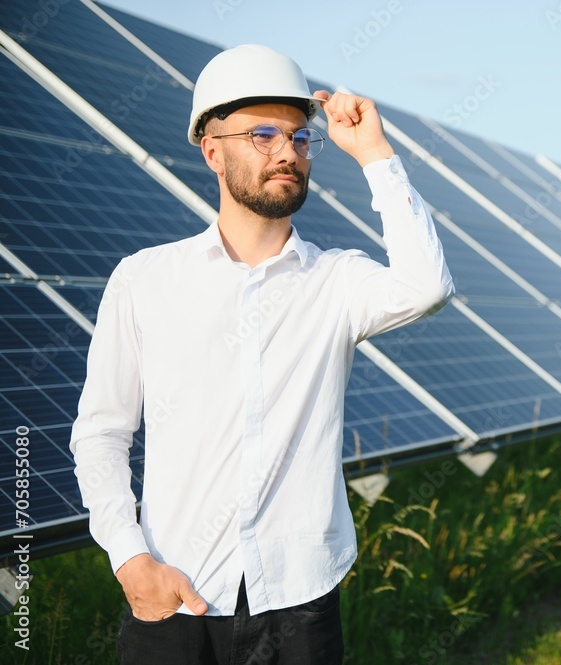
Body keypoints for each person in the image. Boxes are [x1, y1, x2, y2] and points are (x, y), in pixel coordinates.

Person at [69, 44, 453, 664]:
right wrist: (129, 559)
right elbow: (101, 432)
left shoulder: (337, 281)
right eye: (263, 134)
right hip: (175, 597)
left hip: (301, 605)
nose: (286, 152)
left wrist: (376, 155)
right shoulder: (144, 280)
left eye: (301, 138)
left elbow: (427, 285)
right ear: (212, 151)